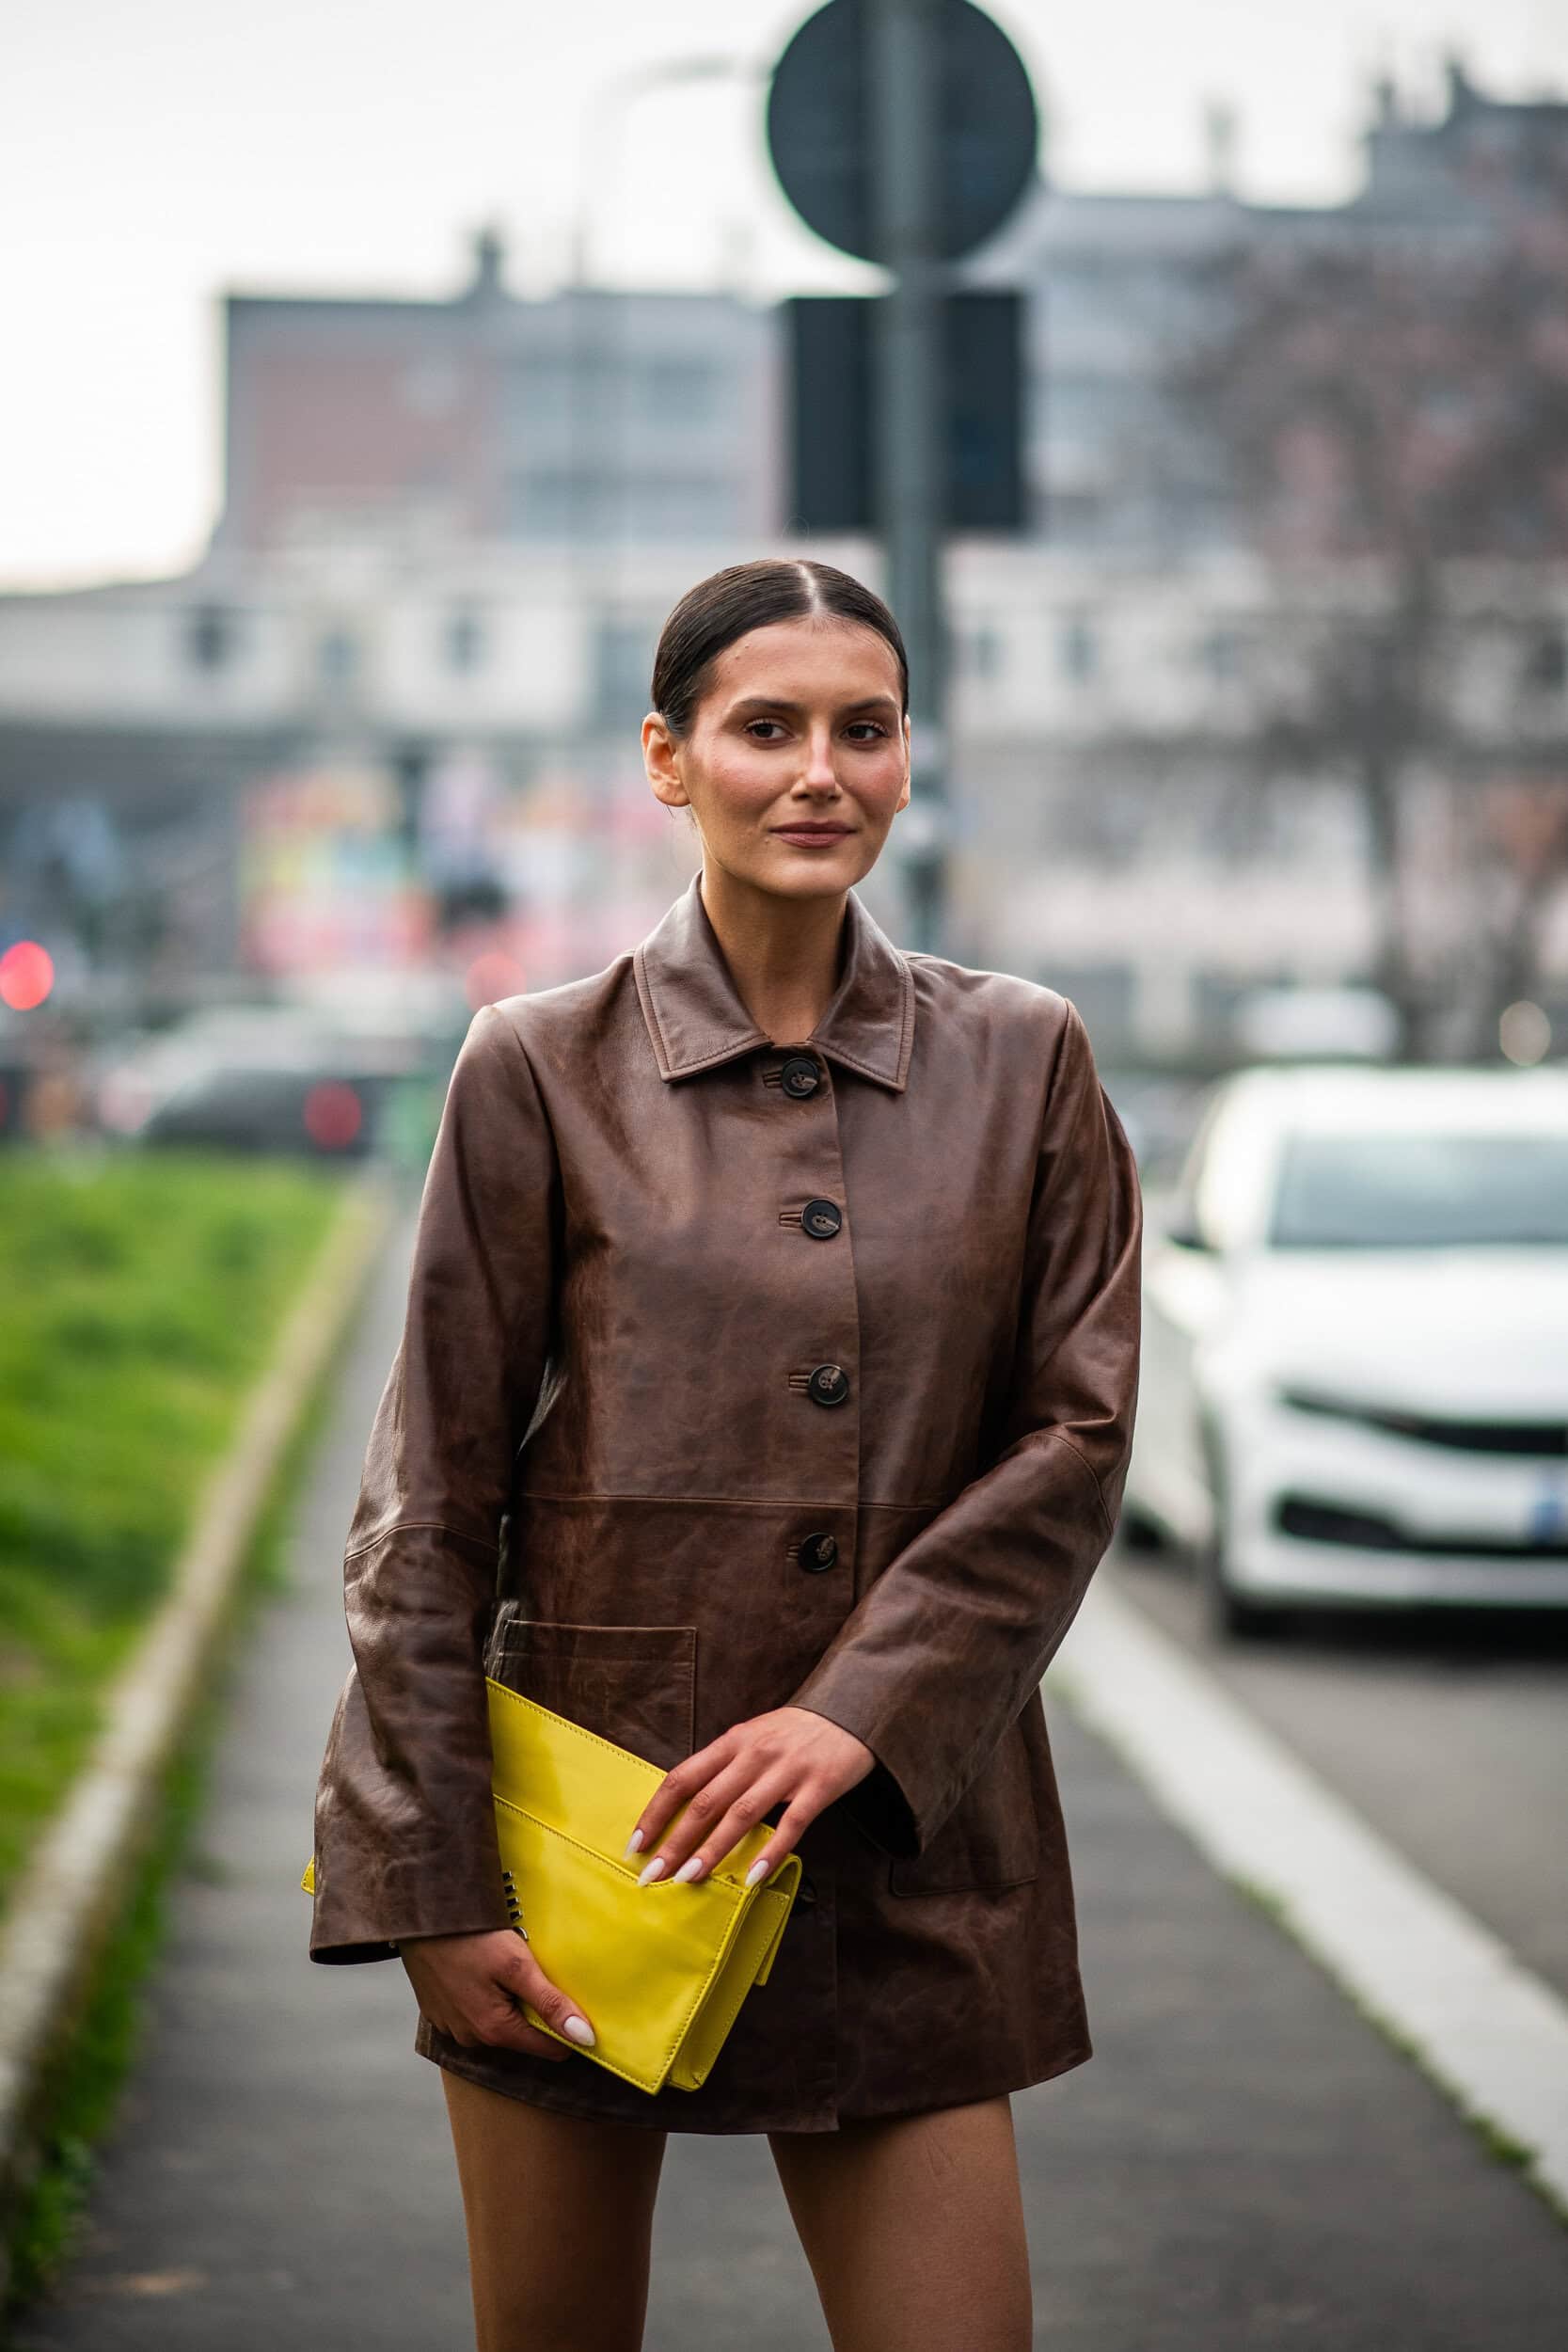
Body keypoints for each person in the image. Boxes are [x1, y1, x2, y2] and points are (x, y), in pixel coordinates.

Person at [306, 557, 1143, 2352]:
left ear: (909, 757)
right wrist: (431, 1881)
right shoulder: (536, 1067)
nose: (821, 773)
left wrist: (862, 1710)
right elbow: (429, 1501)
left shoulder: (1027, 1060)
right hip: (591, 1848)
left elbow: (1075, 1437)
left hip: (909, 1845)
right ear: (668, 758)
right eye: (767, 728)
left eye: (867, 729)